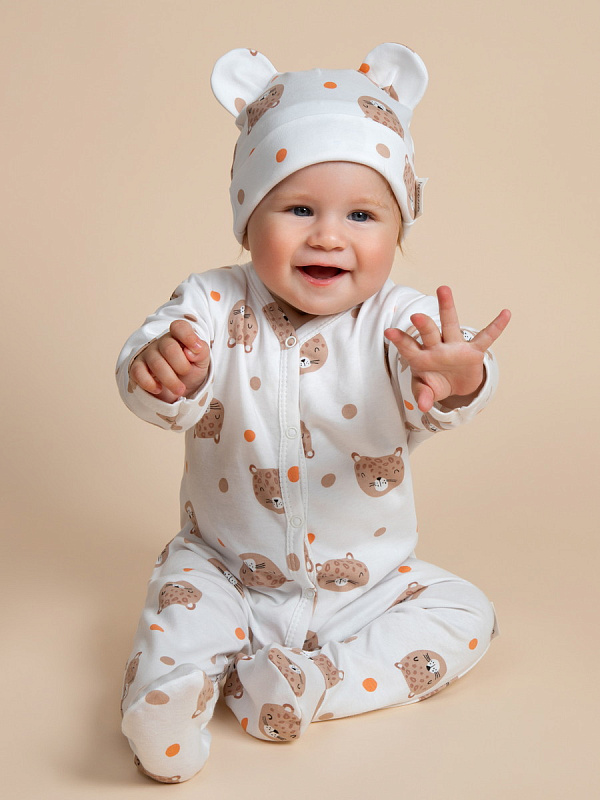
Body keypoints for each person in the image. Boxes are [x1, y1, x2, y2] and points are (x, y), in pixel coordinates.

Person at [116, 43, 510, 784]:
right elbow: (152, 366)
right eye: (298, 208)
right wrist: (165, 372)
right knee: (180, 608)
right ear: (247, 217)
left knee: (467, 613)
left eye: (362, 214)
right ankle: (166, 704)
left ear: (398, 231)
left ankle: (310, 683)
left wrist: (458, 379)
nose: (329, 235)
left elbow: (435, 384)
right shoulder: (211, 302)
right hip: (225, 569)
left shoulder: (398, 320)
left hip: (367, 588)